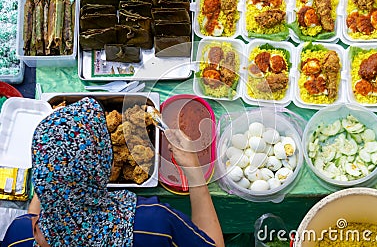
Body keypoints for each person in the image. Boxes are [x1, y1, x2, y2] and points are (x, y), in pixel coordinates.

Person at [1, 97, 224, 247]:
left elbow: (38, 210)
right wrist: (194, 172)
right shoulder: (153, 224)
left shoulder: (18, 235)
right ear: (105, 166)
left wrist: (55, 174)